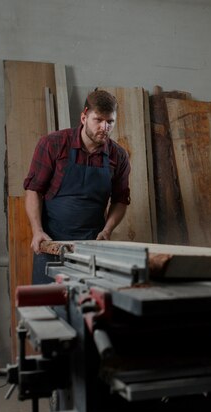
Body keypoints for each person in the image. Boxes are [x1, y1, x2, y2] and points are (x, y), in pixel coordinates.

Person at [23, 89, 131, 284]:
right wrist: (37, 230)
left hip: (92, 246)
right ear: (84, 117)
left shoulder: (118, 156)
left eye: (110, 122)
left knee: (87, 308)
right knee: (47, 306)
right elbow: (34, 190)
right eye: (98, 120)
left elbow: (120, 200)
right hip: (51, 243)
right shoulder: (53, 144)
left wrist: (107, 231)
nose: (104, 127)